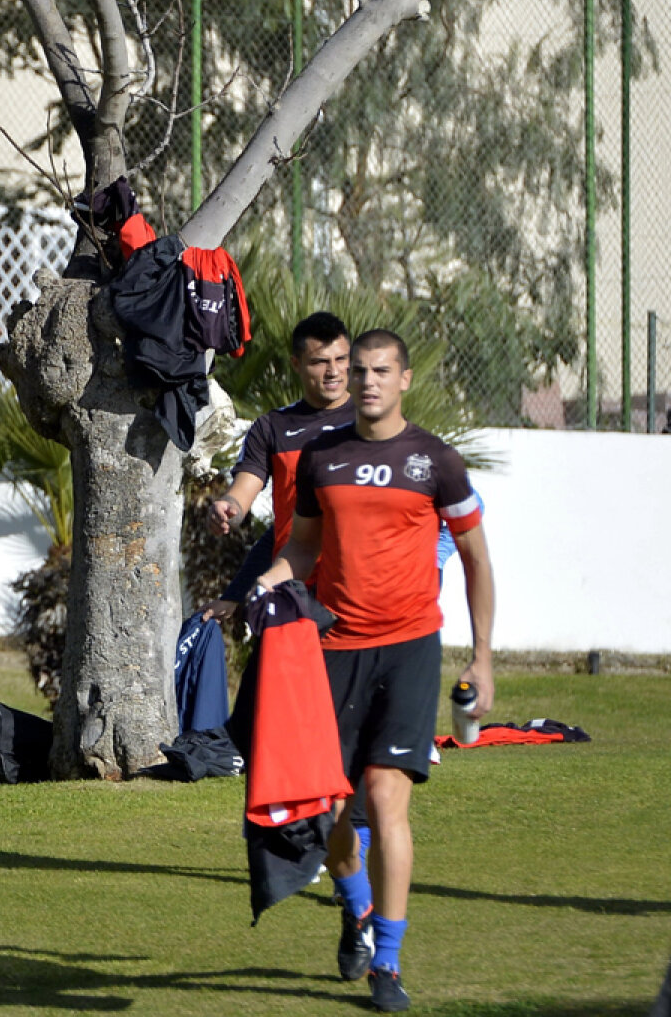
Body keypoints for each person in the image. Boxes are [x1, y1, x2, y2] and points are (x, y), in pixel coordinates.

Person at [255, 328, 495, 1012]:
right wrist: (266, 586)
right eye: (358, 370)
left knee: (387, 798)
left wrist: (482, 657)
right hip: (334, 651)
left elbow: (477, 560)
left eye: (380, 371)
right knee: (333, 813)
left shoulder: (436, 461)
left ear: (404, 379)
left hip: (410, 647)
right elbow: (302, 549)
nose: (366, 381)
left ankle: (387, 961)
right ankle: (355, 904)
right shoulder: (322, 458)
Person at [201, 311, 353, 620]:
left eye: (341, 359)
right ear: (296, 364)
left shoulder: (372, 422)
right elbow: (243, 494)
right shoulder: (273, 427)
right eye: (320, 362)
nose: (333, 371)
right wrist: (229, 508)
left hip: (357, 592)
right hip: (292, 591)